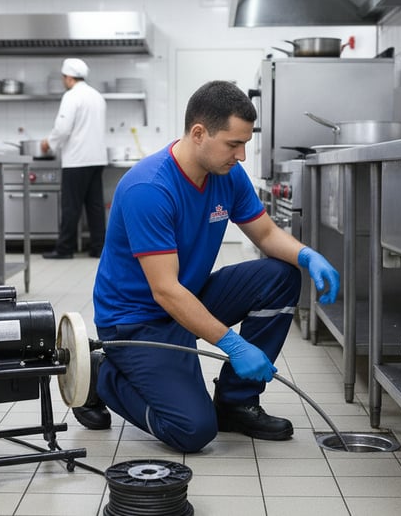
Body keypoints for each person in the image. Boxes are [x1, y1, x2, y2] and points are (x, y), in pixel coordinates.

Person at [75, 80, 339, 454]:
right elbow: (165, 290)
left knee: (279, 276)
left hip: (188, 296)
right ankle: (103, 374)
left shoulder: (226, 176)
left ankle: (235, 402)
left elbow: (264, 234)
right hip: (137, 320)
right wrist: (232, 343)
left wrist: (307, 255)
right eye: (234, 144)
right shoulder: (149, 189)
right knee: (193, 430)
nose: (242, 155)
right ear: (199, 133)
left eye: (245, 143)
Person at [41, 58, 108, 259]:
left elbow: (62, 129)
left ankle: (65, 249)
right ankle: (98, 248)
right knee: (95, 206)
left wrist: (48, 143)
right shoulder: (97, 96)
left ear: (68, 77)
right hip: (97, 158)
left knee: (71, 206)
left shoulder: (72, 96)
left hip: (77, 159)